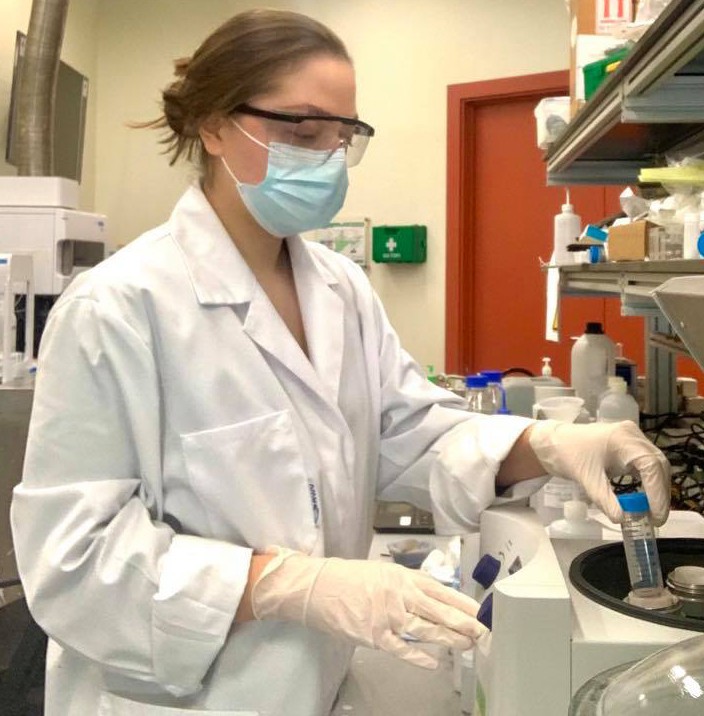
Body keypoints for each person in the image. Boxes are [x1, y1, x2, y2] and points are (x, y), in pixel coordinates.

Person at [10, 9, 670, 716]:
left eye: (342, 136)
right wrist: (288, 585)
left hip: (316, 687)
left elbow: (408, 432)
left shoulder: (339, 289)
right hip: (184, 699)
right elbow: (73, 561)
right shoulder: (118, 308)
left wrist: (550, 443)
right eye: (301, 132)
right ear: (212, 125)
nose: (326, 159)